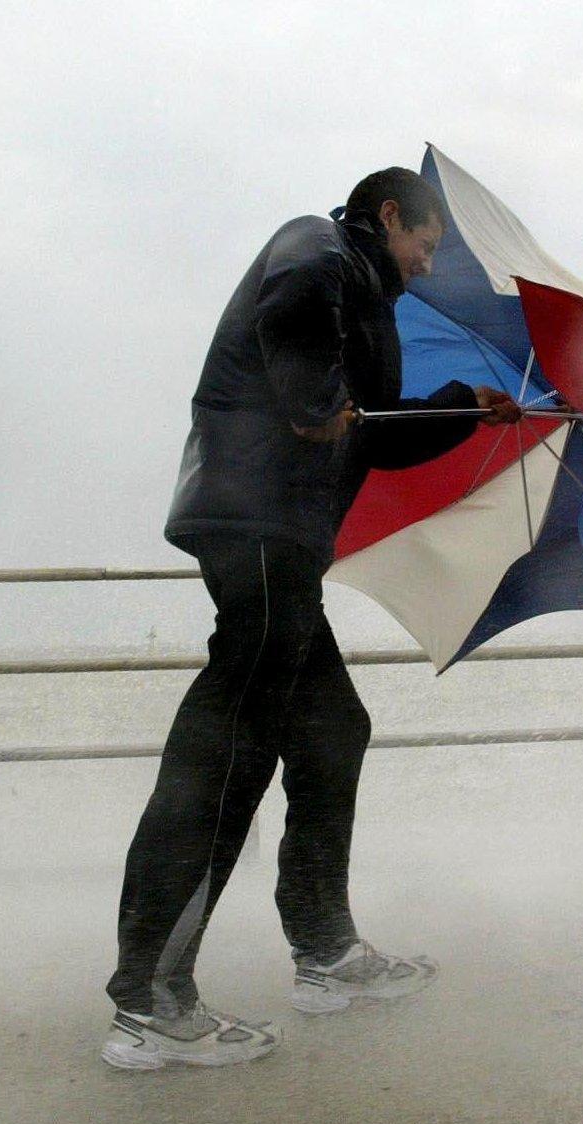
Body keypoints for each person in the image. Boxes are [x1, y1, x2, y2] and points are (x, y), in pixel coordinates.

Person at [102, 167, 522, 1071]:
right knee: (231, 747)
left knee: (334, 726)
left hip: (285, 534)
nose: (425, 262)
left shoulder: (364, 297)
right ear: (387, 215)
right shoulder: (318, 249)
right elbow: (299, 339)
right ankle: (150, 1001)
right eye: (425, 242)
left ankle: (325, 955)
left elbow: (365, 428)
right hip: (252, 519)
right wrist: (307, 399)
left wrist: (467, 412)